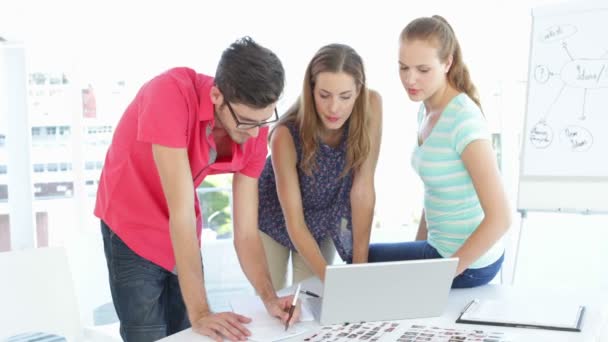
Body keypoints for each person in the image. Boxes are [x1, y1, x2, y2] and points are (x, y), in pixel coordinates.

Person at [94, 37, 299, 342]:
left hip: (182, 224)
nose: (256, 133)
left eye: (264, 119)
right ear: (217, 95)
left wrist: (269, 297)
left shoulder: (254, 126)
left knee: (188, 334)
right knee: (149, 334)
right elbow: (180, 213)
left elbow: (245, 231)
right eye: (246, 121)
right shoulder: (168, 95)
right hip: (130, 221)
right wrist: (201, 311)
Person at [368, 16, 511, 288]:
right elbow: (435, 189)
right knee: (360, 259)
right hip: (439, 250)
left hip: (469, 263)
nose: (410, 79)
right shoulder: (426, 109)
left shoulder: (463, 120)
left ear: (448, 63)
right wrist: (418, 250)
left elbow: (501, 217)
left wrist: (441, 274)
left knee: (361, 261)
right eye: (403, 67)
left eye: (423, 69)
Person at [257, 43, 383, 290]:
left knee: (313, 297)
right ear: (311, 90)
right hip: (273, 217)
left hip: (321, 219)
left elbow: (363, 189)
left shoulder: (372, 106)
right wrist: (337, 283)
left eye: (345, 96)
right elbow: (294, 222)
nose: (334, 108)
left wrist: (360, 271)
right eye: (324, 95)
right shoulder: (285, 134)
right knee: (275, 299)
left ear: (359, 90)